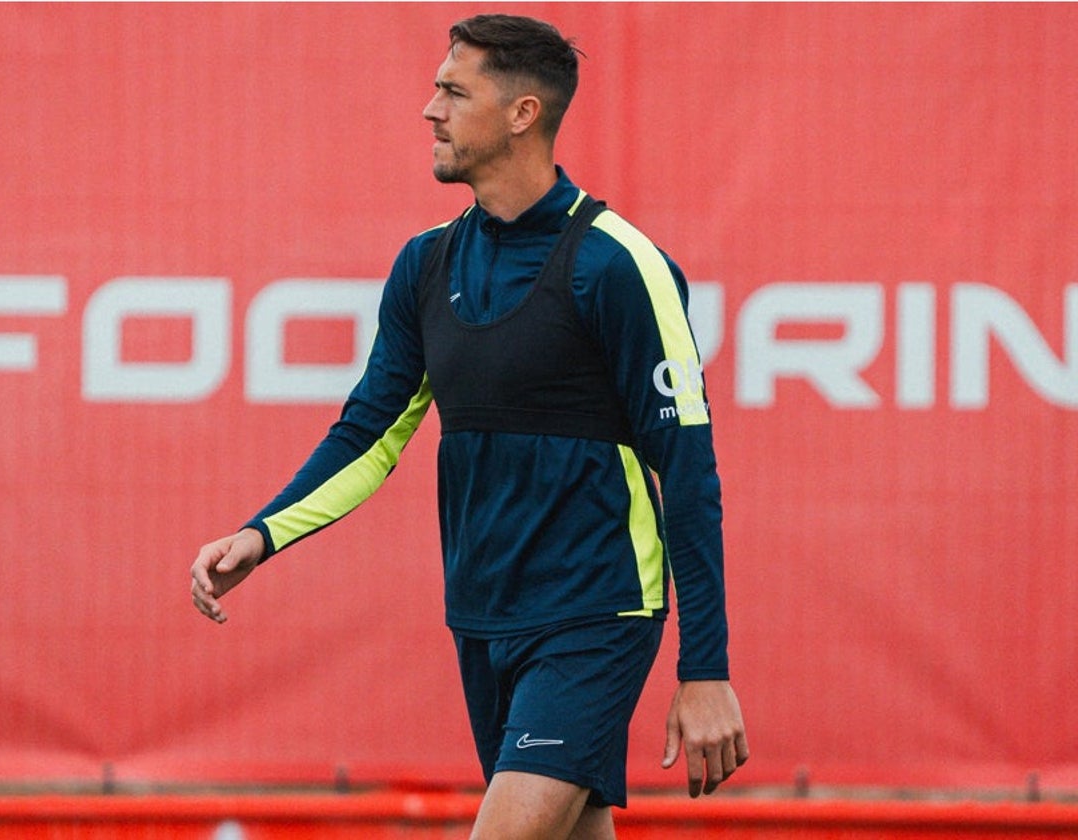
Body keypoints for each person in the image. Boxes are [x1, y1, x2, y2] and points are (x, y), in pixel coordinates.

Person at [191, 14, 748, 839]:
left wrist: (705, 671)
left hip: (597, 614)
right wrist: (263, 533)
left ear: (523, 113)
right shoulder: (425, 264)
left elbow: (690, 475)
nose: (430, 110)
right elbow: (370, 435)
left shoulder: (619, 264)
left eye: (454, 91)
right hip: (484, 618)